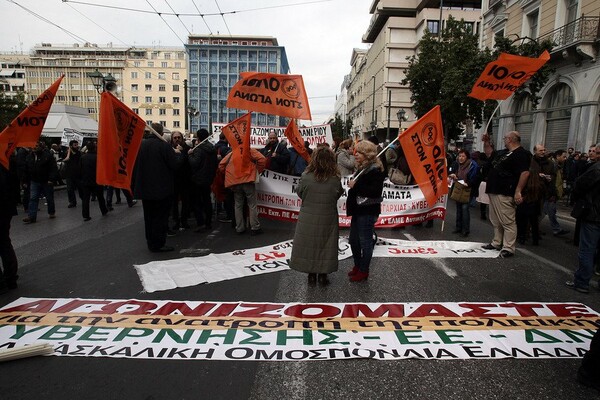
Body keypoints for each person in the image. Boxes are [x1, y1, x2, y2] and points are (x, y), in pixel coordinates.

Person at [290, 147, 344, 285]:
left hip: (308, 216)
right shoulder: (335, 179)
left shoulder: (306, 176)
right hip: (328, 216)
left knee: (309, 244)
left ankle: (311, 275)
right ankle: (323, 275)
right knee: (326, 245)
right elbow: (337, 194)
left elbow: (300, 192)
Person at [132, 123, 182, 252]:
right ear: (161, 133)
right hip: (161, 189)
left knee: (149, 217)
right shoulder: (164, 146)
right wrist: (177, 154)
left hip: (145, 188)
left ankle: (151, 242)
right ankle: (159, 243)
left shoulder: (140, 145)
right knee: (160, 218)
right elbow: (175, 166)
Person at [482, 131, 531, 258]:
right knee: (495, 219)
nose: (504, 140)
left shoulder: (521, 154)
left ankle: (509, 247)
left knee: (507, 220)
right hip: (494, 189)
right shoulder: (502, 153)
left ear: (510, 139)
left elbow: (524, 173)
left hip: (505, 191)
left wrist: (518, 191)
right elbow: (489, 154)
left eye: (505, 138)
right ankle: (497, 242)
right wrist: (486, 142)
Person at [347, 140, 386, 282]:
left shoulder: (375, 170)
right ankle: (358, 265)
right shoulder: (363, 168)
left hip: (367, 211)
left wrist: (355, 186)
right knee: (353, 241)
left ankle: (364, 270)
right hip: (358, 210)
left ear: (367, 155)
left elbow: (374, 191)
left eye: (359, 152)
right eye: (355, 151)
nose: (355, 154)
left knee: (365, 242)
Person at [566, 144, 600, 293]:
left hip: (594, 214)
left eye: (597, 152)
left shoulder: (597, 168)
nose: (594, 154)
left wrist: (578, 198)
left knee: (587, 248)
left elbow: (580, 184)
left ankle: (581, 282)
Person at [219, 145, 266, 235]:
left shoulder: (232, 152)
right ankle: (255, 227)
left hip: (235, 182)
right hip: (248, 180)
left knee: (238, 205)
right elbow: (262, 159)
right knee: (252, 204)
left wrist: (229, 174)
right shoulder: (249, 150)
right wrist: (257, 171)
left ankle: (240, 227)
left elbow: (221, 165)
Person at [188, 128, 218, 232]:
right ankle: (208, 222)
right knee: (207, 201)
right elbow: (215, 164)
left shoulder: (198, 149)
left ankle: (200, 222)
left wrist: (190, 155)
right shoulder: (212, 148)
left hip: (198, 179)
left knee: (197, 202)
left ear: (199, 138)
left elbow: (194, 164)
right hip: (208, 178)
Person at [22, 140, 59, 224]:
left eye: (37, 146)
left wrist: (51, 179)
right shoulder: (29, 157)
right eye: (33, 147)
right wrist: (24, 180)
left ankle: (51, 212)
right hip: (34, 181)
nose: (35, 148)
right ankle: (31, 216)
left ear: (41, 147)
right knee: (33, 198)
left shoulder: (47, 156)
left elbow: (53, 168)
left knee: (49, 197)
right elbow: (26, 169)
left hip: (46, 181)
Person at [516, 146, 545, 246]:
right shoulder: (536, 170)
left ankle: (522, 237)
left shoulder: (527, 170)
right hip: (534, 200)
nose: (543, 152)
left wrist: (521, 195)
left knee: (522, 220)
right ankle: (535, 239)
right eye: (541, 150)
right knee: (533, 221)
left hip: (526, 199)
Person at [0, 155, 20, 293]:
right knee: (5, 242)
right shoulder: (7, 161)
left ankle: (3, 282)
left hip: (2, 207)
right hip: (6, 208)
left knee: (4, 243)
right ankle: (11, 278)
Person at [448, 150, 478, 237]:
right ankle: (458, 227)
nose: (461, 158)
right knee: (458, 207)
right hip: (458, 187)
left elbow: (476, 178)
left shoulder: (472, 165)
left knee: (465, 208)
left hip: (468, 189)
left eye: (463, 156)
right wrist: (453, 175)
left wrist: (469, 183)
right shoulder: (457, 164)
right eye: (459, 156)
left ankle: (465, 229)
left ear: (467, 157)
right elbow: (452, 171)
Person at [79, 141, 108, 221]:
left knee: (85, 199)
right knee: (100, 197)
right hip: (97, 180)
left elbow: (80, 169)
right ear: (95, 147)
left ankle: (86, 215)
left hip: (86, 181)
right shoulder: (98, 157)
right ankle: (104, 210)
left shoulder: (83, 157)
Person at [170, 130, 191, 230]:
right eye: (175, 138)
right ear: (172, 139)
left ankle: (184, 220)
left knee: (185, 201)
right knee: (174, 202)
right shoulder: (169, 149)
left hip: (185, 179)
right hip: (173, 179)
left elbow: (189, 162)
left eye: (179, 137)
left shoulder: (186, 148)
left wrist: (183, 152)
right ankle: (176, 220)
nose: (177, 139)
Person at [63, 140, 83, 208]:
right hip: (69, 174)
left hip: (78, 173)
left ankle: (83, 199)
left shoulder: (78, 153)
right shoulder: (67, 152)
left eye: (77, 145)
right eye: (75, 145)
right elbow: (65, 159)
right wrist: (69, 151)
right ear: (71, 146)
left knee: (80, 187)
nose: (76, 146)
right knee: (70, 189)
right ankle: (72, 202)